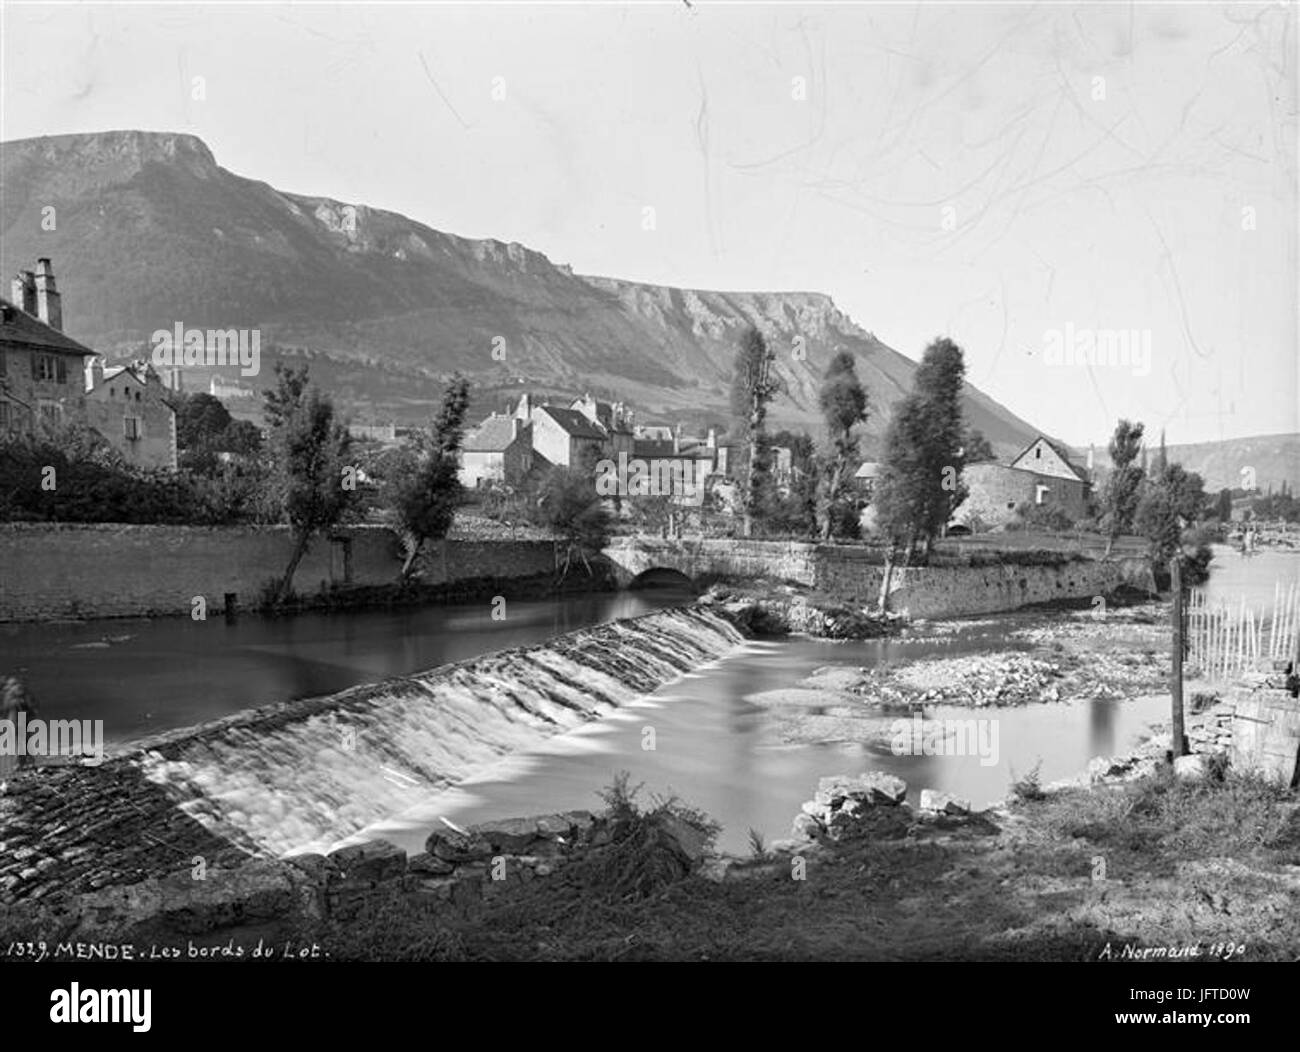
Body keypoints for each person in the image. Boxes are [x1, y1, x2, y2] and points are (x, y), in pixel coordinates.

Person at [0, 675, 38, 783]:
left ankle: (24, 762)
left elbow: (6, 710)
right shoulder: (16, 697)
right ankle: (25, 762)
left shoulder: (12, 697)